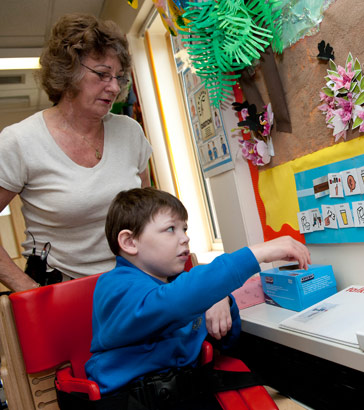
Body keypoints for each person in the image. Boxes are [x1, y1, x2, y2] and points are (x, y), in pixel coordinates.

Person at [85, 187, 311, 409]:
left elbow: (225, 338)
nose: (185, 238)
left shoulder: (177, 284)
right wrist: (256, 254)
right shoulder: (115, 286)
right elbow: (171, 303)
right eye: (171, 229)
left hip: (184, 391)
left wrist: (222, 299)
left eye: (185, 228)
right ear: (130, 242)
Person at [0, 13, 153, 292]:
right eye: (102, 74)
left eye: (118, 77)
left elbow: (149, 210)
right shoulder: (19, 141)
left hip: (132, 281)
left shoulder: (130, 132)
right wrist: (26, 289)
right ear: (68, 71)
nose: (115, 87)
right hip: (60, 288)